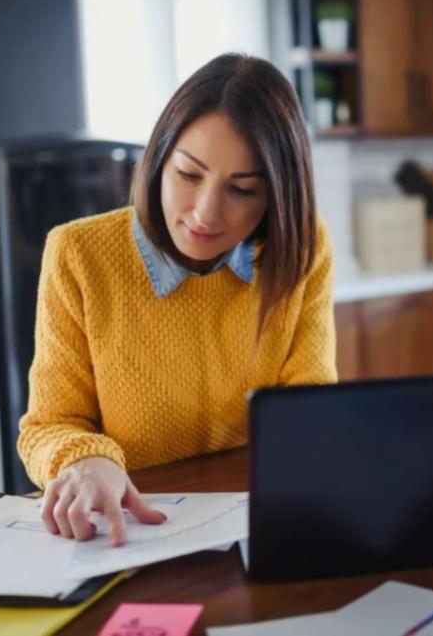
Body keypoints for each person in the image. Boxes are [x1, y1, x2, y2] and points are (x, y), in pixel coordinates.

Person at [18, 53, 337, 546]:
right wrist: (86, 459)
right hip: (125, 536)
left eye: (243, 189)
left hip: (260, 528)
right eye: (189, 175)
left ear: (276, 196)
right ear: (159, 158)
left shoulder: (301, 249)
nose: (206, 213)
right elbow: (48, 425)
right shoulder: (78, 254)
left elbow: (309, 413)